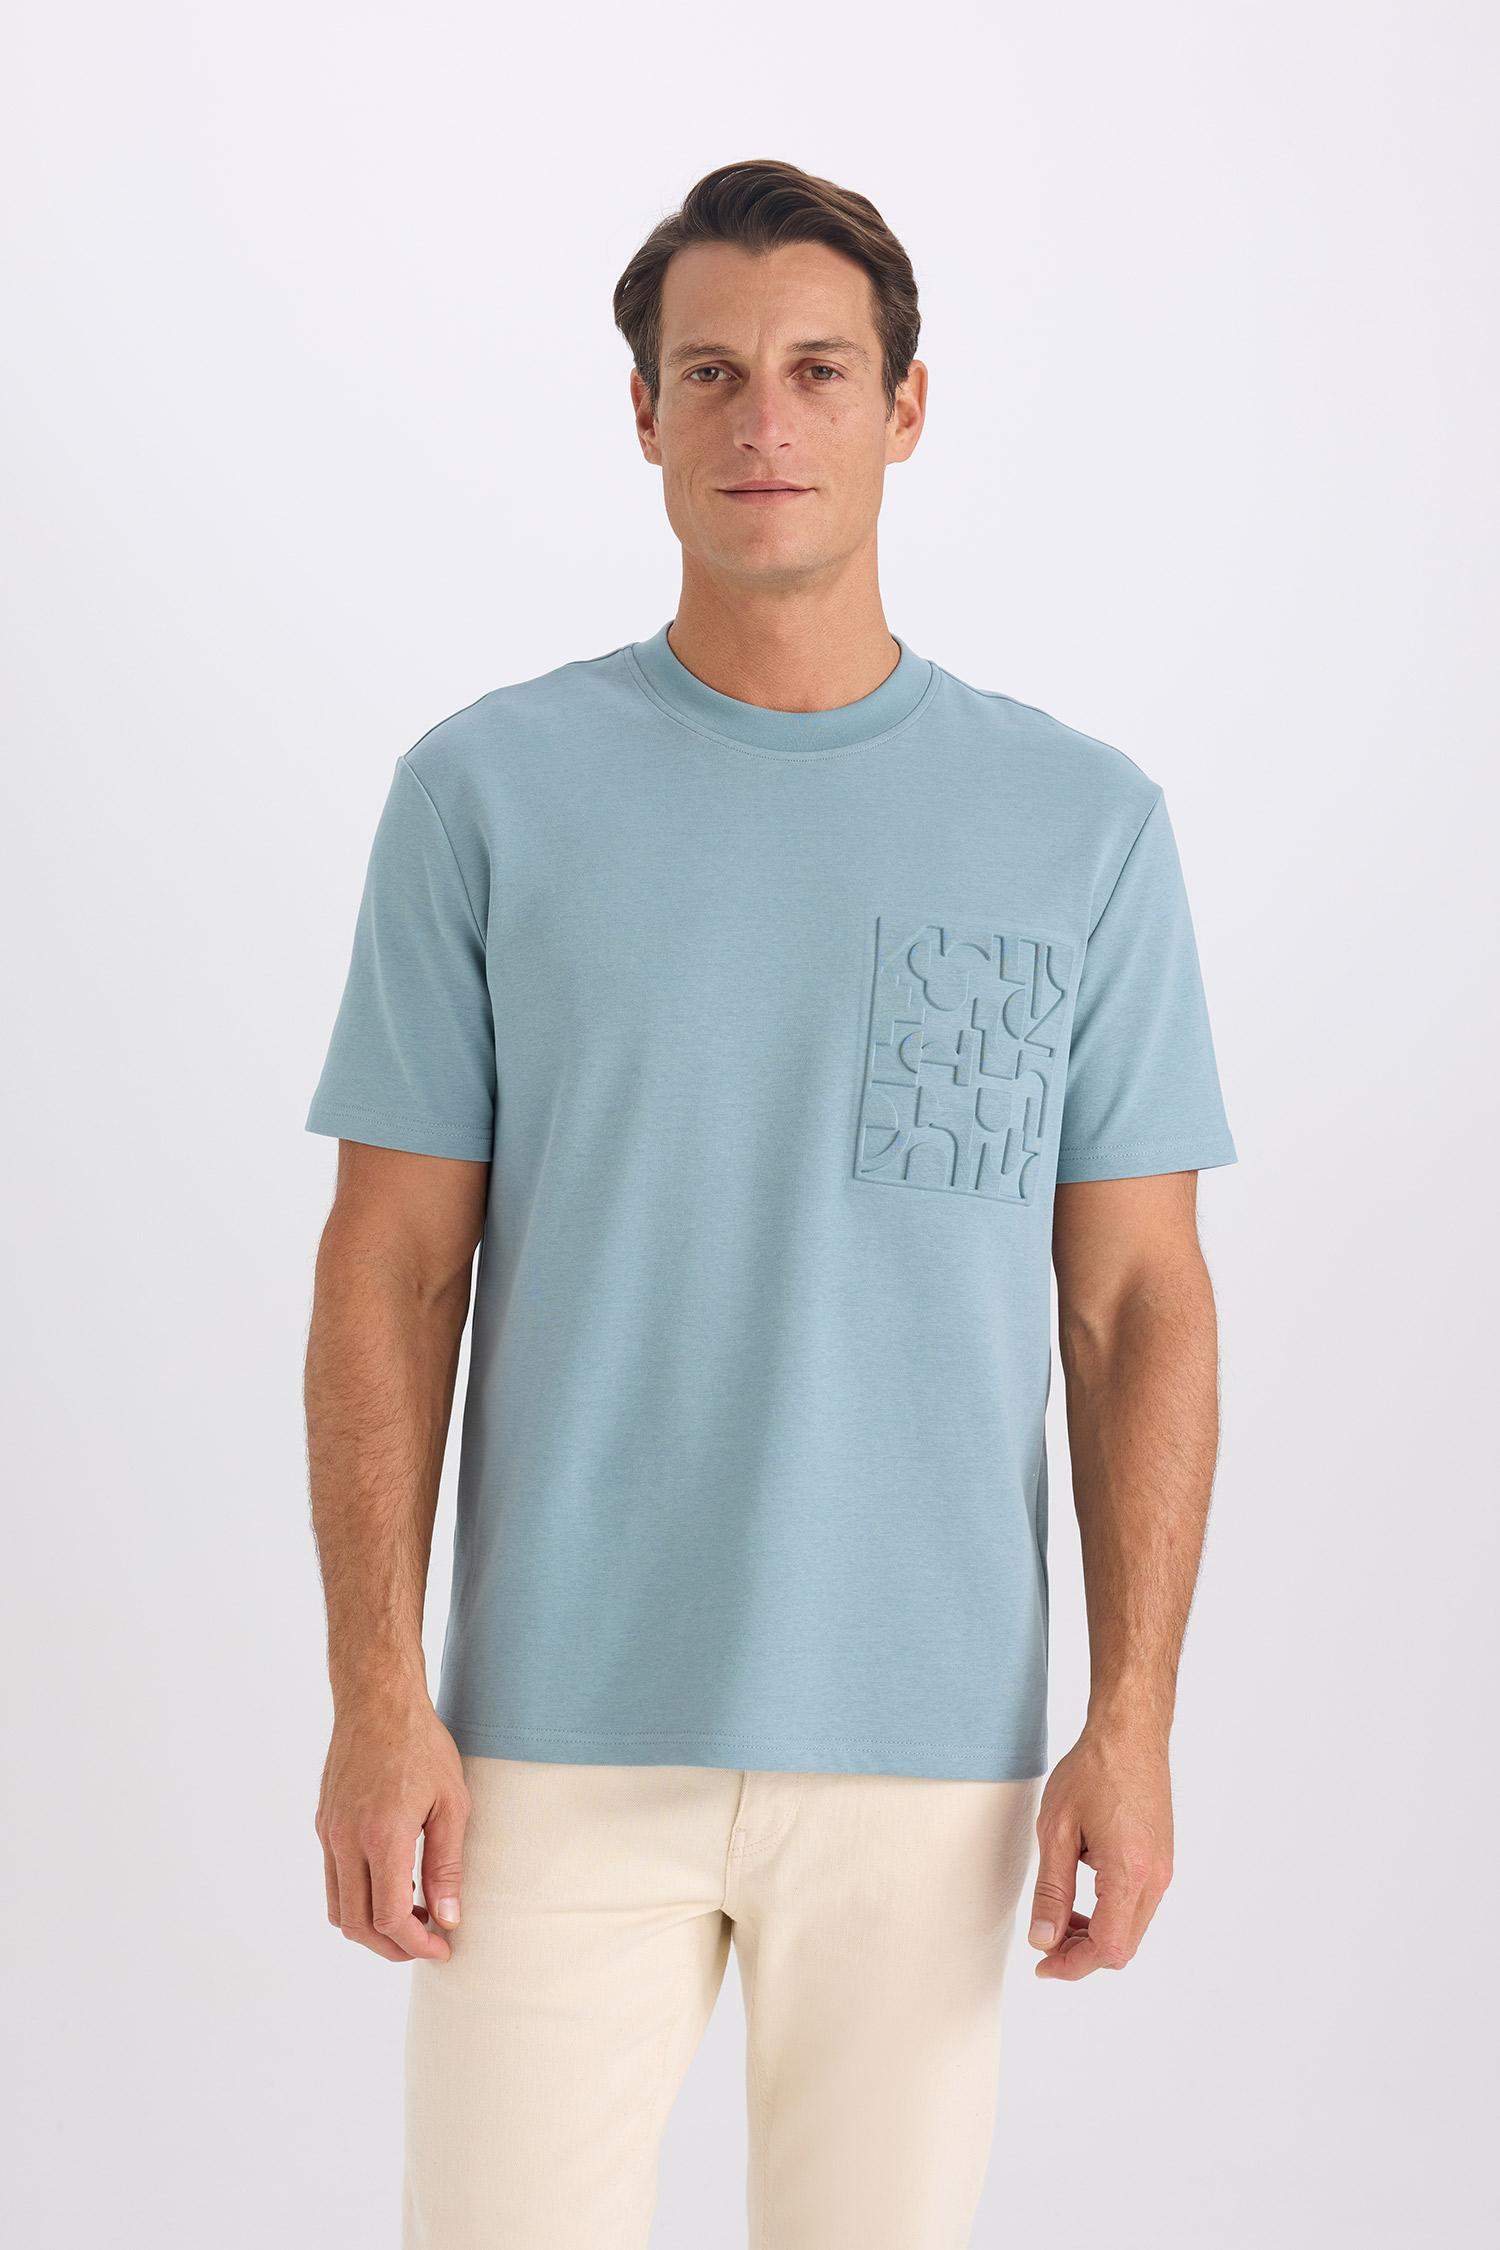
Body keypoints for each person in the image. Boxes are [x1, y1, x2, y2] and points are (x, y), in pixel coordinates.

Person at [303, 156, 1238, 2249]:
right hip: (544, 1739)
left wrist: (1133, 1721)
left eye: (819, 369)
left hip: (931, 1751)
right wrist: (377, 1690)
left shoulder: (1080, 824)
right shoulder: (485, 794)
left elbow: (1137, 1306)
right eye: (710, 372)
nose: (764, 419)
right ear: (642, 414)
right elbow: (394, 1267)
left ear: (907, 408)